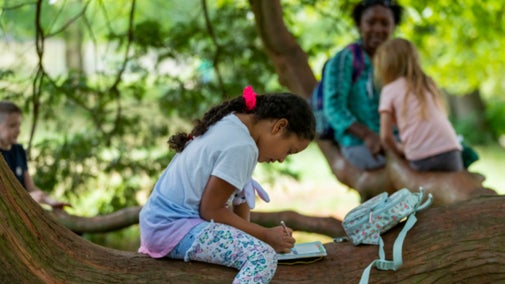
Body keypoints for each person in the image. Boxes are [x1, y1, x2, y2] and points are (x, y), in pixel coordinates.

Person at [138, 86, 316, 283]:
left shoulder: (233, 125)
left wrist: (257, 238)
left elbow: (234, 202)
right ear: (279, 126)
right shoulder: (243, 146)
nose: (282, 159)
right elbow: (211, 210)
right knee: (261, 257)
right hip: (172, 227)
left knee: (257, 249)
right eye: (289, 150)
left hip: (158, 224)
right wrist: (265, 235)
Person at [322, 0, 403, 170]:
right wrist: (367, 135)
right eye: (371, 22)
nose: (378, 29)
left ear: (393, 26)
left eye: (385, 23)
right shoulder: (345, 60)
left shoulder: (396, 62)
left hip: (395, 140)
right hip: (358, 144)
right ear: (360, 25)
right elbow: (334, 108)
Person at [375, 38, 464, 171]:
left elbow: (386, 137)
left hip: (422, 157)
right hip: (451, 152)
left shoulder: (389, 89)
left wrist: (399, 151)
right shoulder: (428, 83)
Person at [0, 101, 70, 209]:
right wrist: (27, 197)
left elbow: (31, 188)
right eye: (12, 125)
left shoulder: (19, 150)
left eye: (19, 125)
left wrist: (50, 202)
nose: (18, 130)